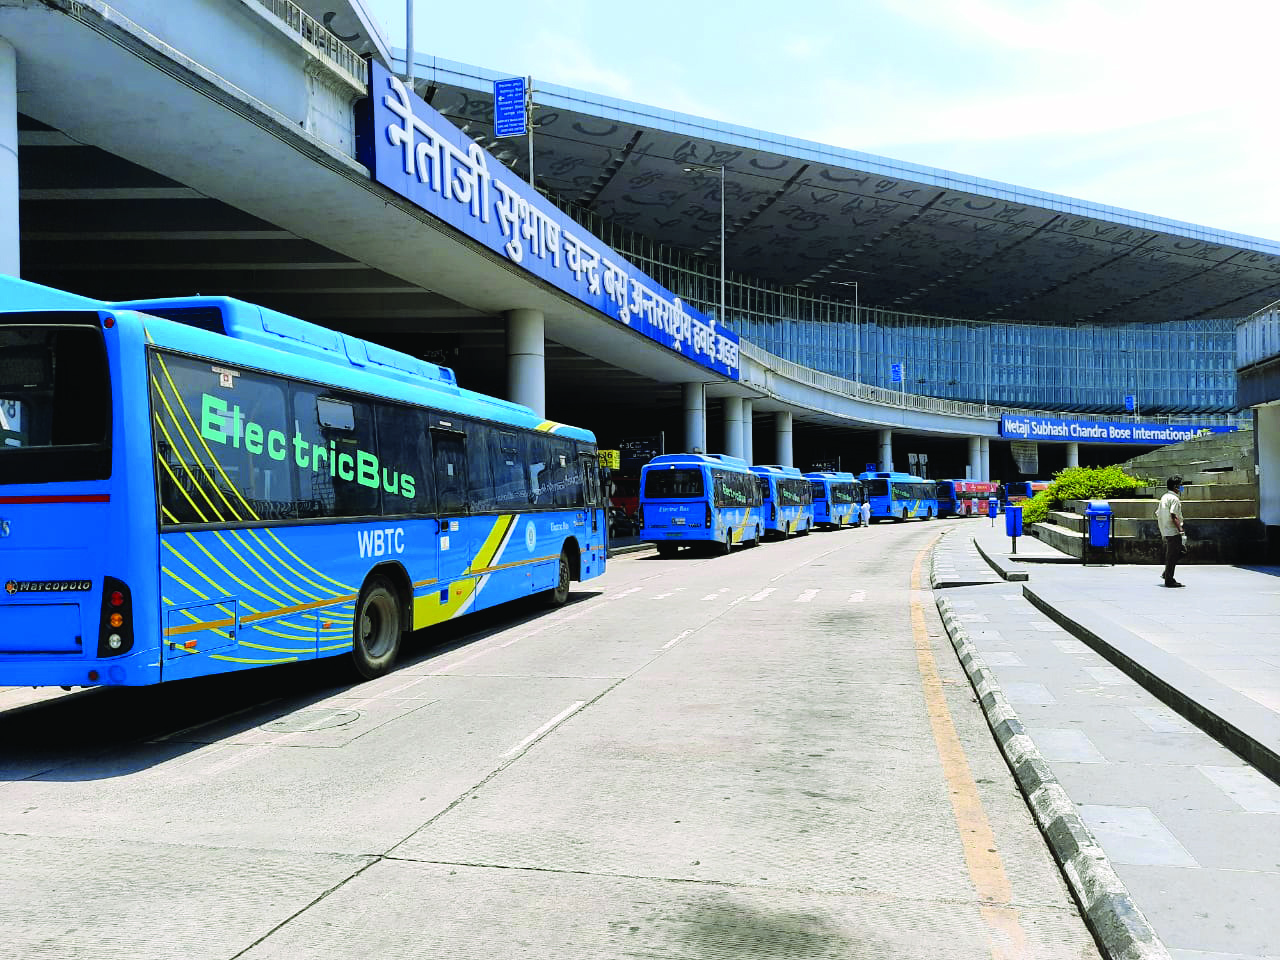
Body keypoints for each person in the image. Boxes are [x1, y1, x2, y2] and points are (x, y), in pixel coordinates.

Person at [1156, 475, 1186, 587]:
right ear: (1176, 486)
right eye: (1181, 485)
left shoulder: (1164, 497)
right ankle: (1169, 579)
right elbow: (1173, 515)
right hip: (1173, 531)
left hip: (1166, 530)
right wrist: (1181, 530)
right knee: (1173, 554)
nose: (1182, 487)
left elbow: (1158, 513)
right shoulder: (1174, 499)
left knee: (1181, 551)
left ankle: (1167, 572)